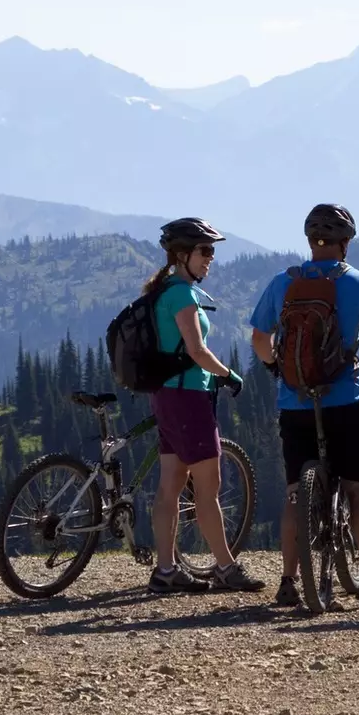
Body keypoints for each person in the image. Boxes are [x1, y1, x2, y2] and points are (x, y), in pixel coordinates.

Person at [250, 203, 359, 609]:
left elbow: (258, 339)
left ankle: (288, 582)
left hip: (296, 403)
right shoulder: (354, 282)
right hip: (345, 402)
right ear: (345, 244)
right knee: (358, 490)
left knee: (293, 494)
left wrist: (276, 368)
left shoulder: (282, 282)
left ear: (310, 242)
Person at [146, 217, 263, 594]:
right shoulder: (180, 294)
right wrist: (228, 374)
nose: (210, 258)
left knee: (170, 487)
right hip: (189, 399)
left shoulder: (165, 290)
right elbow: (196, 350)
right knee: (207, 489)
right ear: (182, 254)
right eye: (205, 251)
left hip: (167, 396)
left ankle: (166, 570)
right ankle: (226, 569)